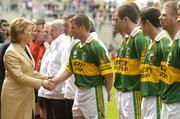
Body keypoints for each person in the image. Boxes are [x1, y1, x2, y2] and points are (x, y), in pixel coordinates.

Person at [51, 15, 113, 119]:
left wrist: (107, 91)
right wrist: (54, 81)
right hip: (79, 92)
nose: (71, 30)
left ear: (82, 28)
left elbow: (108, 74)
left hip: (93, 92)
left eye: (73, 28)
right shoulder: (76, 47)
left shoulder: (96, 46)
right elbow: (69, 70)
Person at [1, 17, 54, 119]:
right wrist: (42, 83)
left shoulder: (25, 47)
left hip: (25, 95)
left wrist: (48, 77)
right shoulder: (11, 52)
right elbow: (19, 77)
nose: (32, 33)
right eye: (29, 31)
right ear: (20, 34)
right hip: (15, 96)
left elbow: (30, 72)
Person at [114, 4, 151, 119]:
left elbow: (147, 68)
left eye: (117, 20)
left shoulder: (140, 38)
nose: (115, 23)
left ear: (126, 20)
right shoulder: (128, 38)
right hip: (124, 91)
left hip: (134, 93)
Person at [139, 7, 172, 119]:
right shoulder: (152, 43)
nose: (139, 27)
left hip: (156, 98)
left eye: (141, 24)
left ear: (147, 23)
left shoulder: (164, 44)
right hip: (147, 98)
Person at [159, 1, 180, 119]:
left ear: (176, 18)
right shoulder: (172, 44)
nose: (160, 17)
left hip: (176, 105)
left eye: (164, 15)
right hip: (168, 103)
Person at [111, 10, 129, 119]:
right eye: (112, 19)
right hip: (121, 89)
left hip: (130, 91)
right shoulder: (124, 41)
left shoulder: (138, 39)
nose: (113, 23)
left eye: (115, 19)